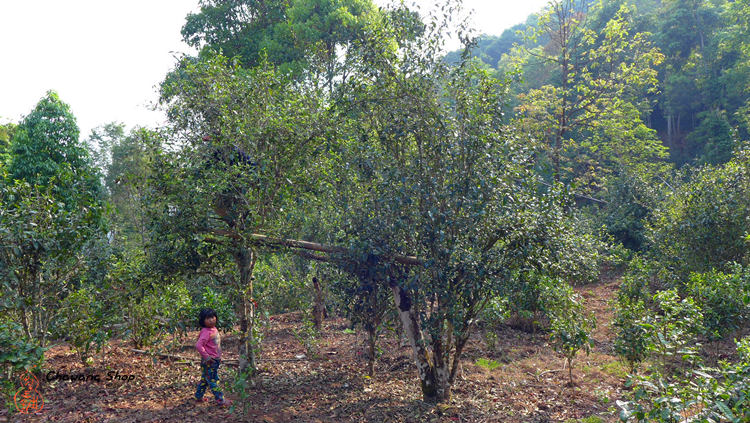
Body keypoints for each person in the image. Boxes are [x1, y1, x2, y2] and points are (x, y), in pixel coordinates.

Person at [194, 308, 231, 406]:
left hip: (214, 360)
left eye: (212, 317)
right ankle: (220, 400)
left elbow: (215, 345)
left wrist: (218, 356)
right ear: (203, 320)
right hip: (209, 361)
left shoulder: (213, 329)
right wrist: (207, 357)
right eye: (207, 318)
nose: (211, 320)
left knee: (205, 379)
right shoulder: (206, 332)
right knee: (213, 380)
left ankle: (198, 396)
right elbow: (198, 345)